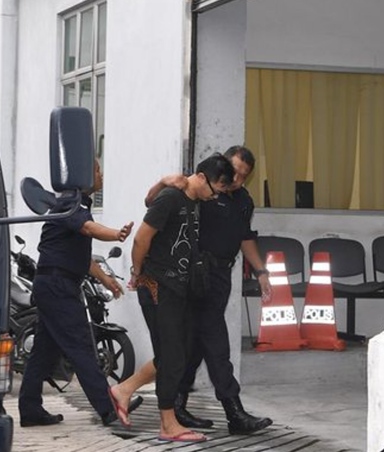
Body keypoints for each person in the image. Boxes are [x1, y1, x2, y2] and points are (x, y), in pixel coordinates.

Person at [144, 145, 274, 434]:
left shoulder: (243, 200)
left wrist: (261, 272)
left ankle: (177, 406)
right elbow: (151, 203)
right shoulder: (202, 190)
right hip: (194, 275)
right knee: (215, 341)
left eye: (243, 176)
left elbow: (245, 237)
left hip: (221, 277)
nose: (236, 180)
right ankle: (233, 411)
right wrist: (163, 182)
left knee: (194, 342)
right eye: (234, 172)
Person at [18, 160, 143, 428]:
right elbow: (88, 229)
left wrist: (106, 279)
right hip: (57, 286)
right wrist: (117, 234)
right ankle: (108, 408)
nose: (101, 174)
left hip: (54, 283)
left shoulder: (77, 205)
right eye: (96, 170)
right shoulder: (70, 203)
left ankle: (30, 409)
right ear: (84, 175)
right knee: (81, 345)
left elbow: (80, 256)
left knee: (44, 351)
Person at [123, 154, 235, 443]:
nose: (215, 197)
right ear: (203, 178)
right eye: (216, 190)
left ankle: (123, 391)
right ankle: (167, 423)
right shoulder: (171, 198)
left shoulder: (193, 200)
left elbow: (150, 202)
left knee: (176, 353)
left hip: (176, 288)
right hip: (157, 284)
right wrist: (137, 273)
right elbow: (141, 238)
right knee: (173, 356)